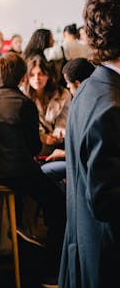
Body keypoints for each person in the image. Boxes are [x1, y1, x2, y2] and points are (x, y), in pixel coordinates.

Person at [0, 53, 65, 288]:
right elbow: (34, 146)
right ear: (22, 77)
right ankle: (50, 269)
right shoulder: (24, 104)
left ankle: (20, 233)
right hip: (14, 175)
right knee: (58, 203)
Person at [59, 0, 120, 288]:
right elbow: (108, 200)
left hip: (85, 245)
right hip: (107, 261)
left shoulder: (90, 87)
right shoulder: (111, 104)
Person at [41, 59, 95, 190]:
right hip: (82, 161)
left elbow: (89, 149)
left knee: (44, 172)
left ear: (78, 83)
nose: (69, 90)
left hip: (84, 165)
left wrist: (65, 154)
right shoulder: (94, 100)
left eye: (69, 86)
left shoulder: (87, 105)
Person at [21, 55, 71, 157]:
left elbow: (64, 121)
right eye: (32, 75)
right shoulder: (22, 97)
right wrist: (42, 136)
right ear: (27, 77)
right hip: (33, 150)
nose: (37, 79)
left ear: (47, 75)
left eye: (40, 74)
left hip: (60, 147)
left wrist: (59, 133)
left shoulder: (62, 95)